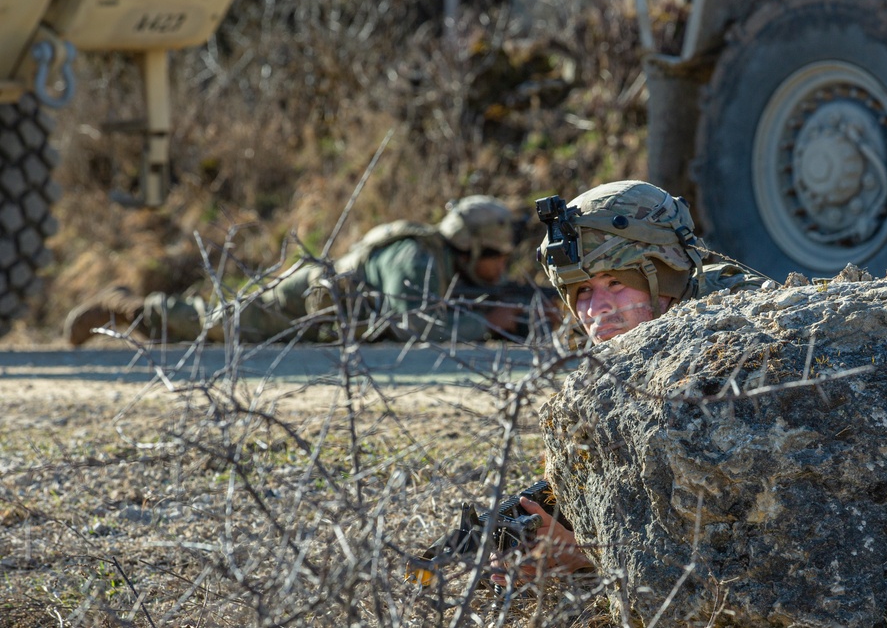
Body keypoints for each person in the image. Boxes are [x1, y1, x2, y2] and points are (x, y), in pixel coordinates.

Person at [491, 179, 770, 587]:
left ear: (666, 275)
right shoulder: (628, 360)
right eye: (582, 290)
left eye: (615, 283)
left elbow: (740, 549)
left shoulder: (731, 347)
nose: (596, 310)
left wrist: (587, 557)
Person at [64, 195, 530, 346]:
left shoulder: (443, 262)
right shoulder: (416, 257)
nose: (501, 266)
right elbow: (415, 322)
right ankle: (121, 305)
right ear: (470, 248)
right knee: (210, 325)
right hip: (296, 304)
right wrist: (488, 323)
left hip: (321, 319)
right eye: (496, 256)